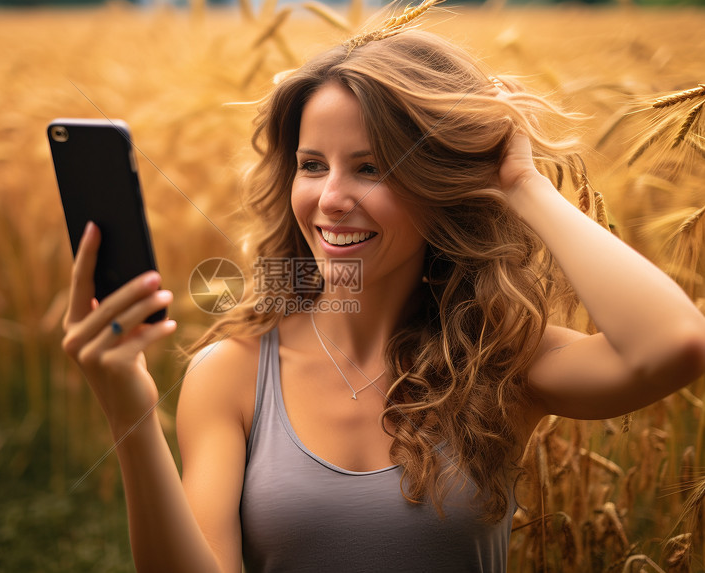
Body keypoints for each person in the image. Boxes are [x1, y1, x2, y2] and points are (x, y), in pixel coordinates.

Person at [60, 8, 705, 572]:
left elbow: (674, 344)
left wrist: (521, 185)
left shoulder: (499, 362)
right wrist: (132, 415)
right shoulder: (230, 373)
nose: (330, 199)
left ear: (439, 185)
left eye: (371, 169)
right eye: (312, 165)